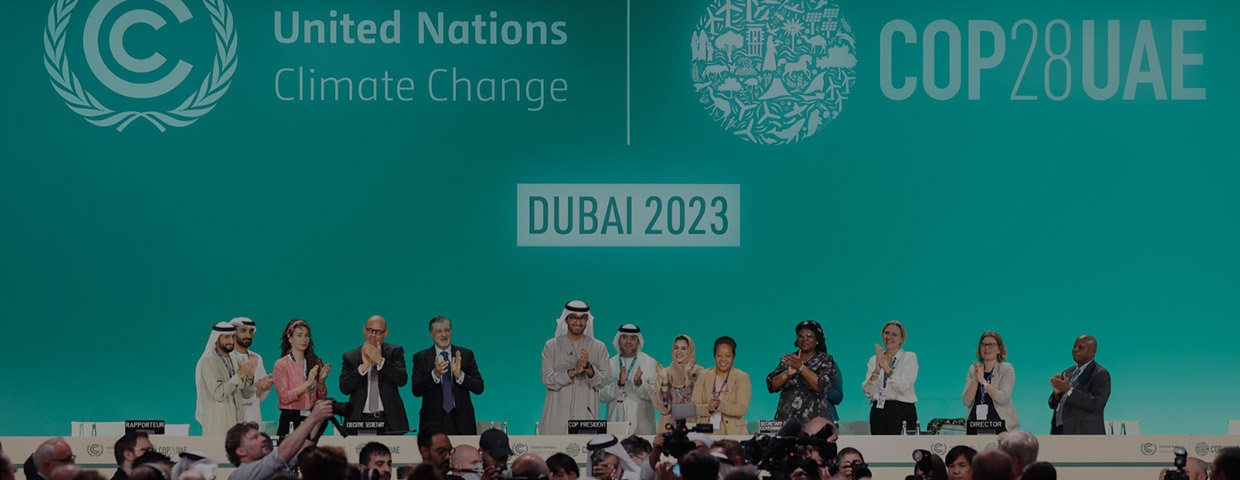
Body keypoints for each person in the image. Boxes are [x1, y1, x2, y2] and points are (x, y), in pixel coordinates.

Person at [539, 301, 611, 434]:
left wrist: (589, 369)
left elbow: (604, 381)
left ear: (587, 320)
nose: (578, 322)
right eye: (573, 317)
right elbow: (547, 379)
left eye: (582, 318)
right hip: (555, 420)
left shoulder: (599, 347)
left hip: (586, 419)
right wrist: (574, 371)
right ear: (566, 319)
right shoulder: (552, 346)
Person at [411, 316, 485, 435]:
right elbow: (416, 390)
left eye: (447, 330)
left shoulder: (465, 354)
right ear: (431, 334)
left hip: (463, 420)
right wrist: (435, 374)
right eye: (439, 331)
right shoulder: (421, 357)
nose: (444, 334)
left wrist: (460, 375)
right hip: (432, 422)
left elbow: (479, 387)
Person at [226, 399, 334, 480]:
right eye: (255, 437)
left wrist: (319, 420)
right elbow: (282, 454)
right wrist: (313, 417)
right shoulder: (240, 475)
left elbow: (301, 450)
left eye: (261, 435)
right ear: (241, 451)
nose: (263, 438)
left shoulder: (274, 466)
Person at [341, 315, 410, 435]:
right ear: (364, 329)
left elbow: (402, 379)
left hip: (389, 421)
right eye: (370, 330)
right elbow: (344, 388)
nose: (373, 335)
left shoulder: (395, 352)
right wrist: (363, 368)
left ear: (385, 333)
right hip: (359, 420)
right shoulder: (350, 357)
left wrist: (381, 361)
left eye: (378, 332)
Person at [767, 321, 839, 425]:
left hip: (813, 418)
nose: (804, 339)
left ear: (817, 340)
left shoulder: (825, 360)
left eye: (809, 335)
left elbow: (821, 386)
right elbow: (772, 386)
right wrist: (787, 374)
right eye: (801, 335)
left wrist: (800, 367)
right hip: (786, 418)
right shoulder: (790, 359)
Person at [196, 322, 259, 435]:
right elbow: (218, 393)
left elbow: (247, 394)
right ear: (216, 339)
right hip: (218, 427)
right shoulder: (209, 361)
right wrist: (240, 374)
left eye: (233, 336)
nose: (231, 341)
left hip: (237, 427)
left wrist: (249, 376)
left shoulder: (235, 359)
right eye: (226, 337)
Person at [274, 319, 331, 437]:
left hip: (311, 417)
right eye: (299, 335)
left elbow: (321, 396)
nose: (304, 339)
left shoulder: (315, 361)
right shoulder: (281, 364)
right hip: (290, 417)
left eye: (307, 336)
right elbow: (284, 397)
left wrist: (321, 382)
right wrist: (308, 383)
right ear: (290, 338)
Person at [861, 320, 918, 435]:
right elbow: (867, 392)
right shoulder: (874, 359)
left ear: (902, 339)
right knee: (880, 450)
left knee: (902, 450)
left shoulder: (909, 357)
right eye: (886, 333)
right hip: (879, 409)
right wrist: (876, 371)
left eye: (894, 334)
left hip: (902, 409)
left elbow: (904, 387)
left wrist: (886, 368)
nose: (889, 337)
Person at [600, 324, 658, 435]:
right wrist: (619, 384)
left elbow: (656, 396)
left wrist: (639, 384)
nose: (629, 341)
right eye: (625, 337)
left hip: (642, 428)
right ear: (618, 340)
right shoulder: (609, 364)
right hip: (615, 427)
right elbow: (601, 396)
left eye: (633, 338)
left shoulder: (649, 362)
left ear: (639, 341)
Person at [1048, 334, 1110, 435]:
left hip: (1083, 434)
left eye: (1080, 347)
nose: (1075, 350)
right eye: (1074, 346)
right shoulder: (1067, 372)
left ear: (1093, 351)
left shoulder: (1100, 373)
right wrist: (1056, 394)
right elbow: (1053, 405)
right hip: (1059, 431)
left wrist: (1069, 390)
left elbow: (1097, 404)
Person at [692, 336, 751, 435]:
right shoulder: (704, 375)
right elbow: (693, 407)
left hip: (733, 434)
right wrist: (708, 408)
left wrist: (721, 405)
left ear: (733, 357)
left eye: (728, 356)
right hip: (706, 431)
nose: (723, 359)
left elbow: (742, 409)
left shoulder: (742, 377)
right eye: (719, 355)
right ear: (714, 356)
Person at [962, 332, 1019, 432]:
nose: (987, 348)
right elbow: (966, 401)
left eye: (991, 345)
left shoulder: (1006, 368)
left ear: (999, 349)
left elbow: (1003, 399)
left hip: (1000, 425)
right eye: (984, 345)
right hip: (975, 425)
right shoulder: (973, 369)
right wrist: (976, 378)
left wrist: (983, 382)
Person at [652, 335, 704, 433]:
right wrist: (665, 380)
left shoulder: (699, 371)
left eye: (683, 348)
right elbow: (662, 406)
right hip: (668, 425)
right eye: (676, 348)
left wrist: (686, 375)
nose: (678, 352)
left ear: (690, 351)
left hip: (691, 424)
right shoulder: (664, 372)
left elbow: (695, 401)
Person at [230, 317, 275, 425]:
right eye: (243, 331)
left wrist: (264, 387)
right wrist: (255, 389)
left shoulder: (257, 358)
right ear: (233, 333)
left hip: (253, 417)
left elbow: (261, 396)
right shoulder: (226, 358)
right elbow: (226, 392)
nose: (248, 335)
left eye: (251, 331)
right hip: (231, 418)